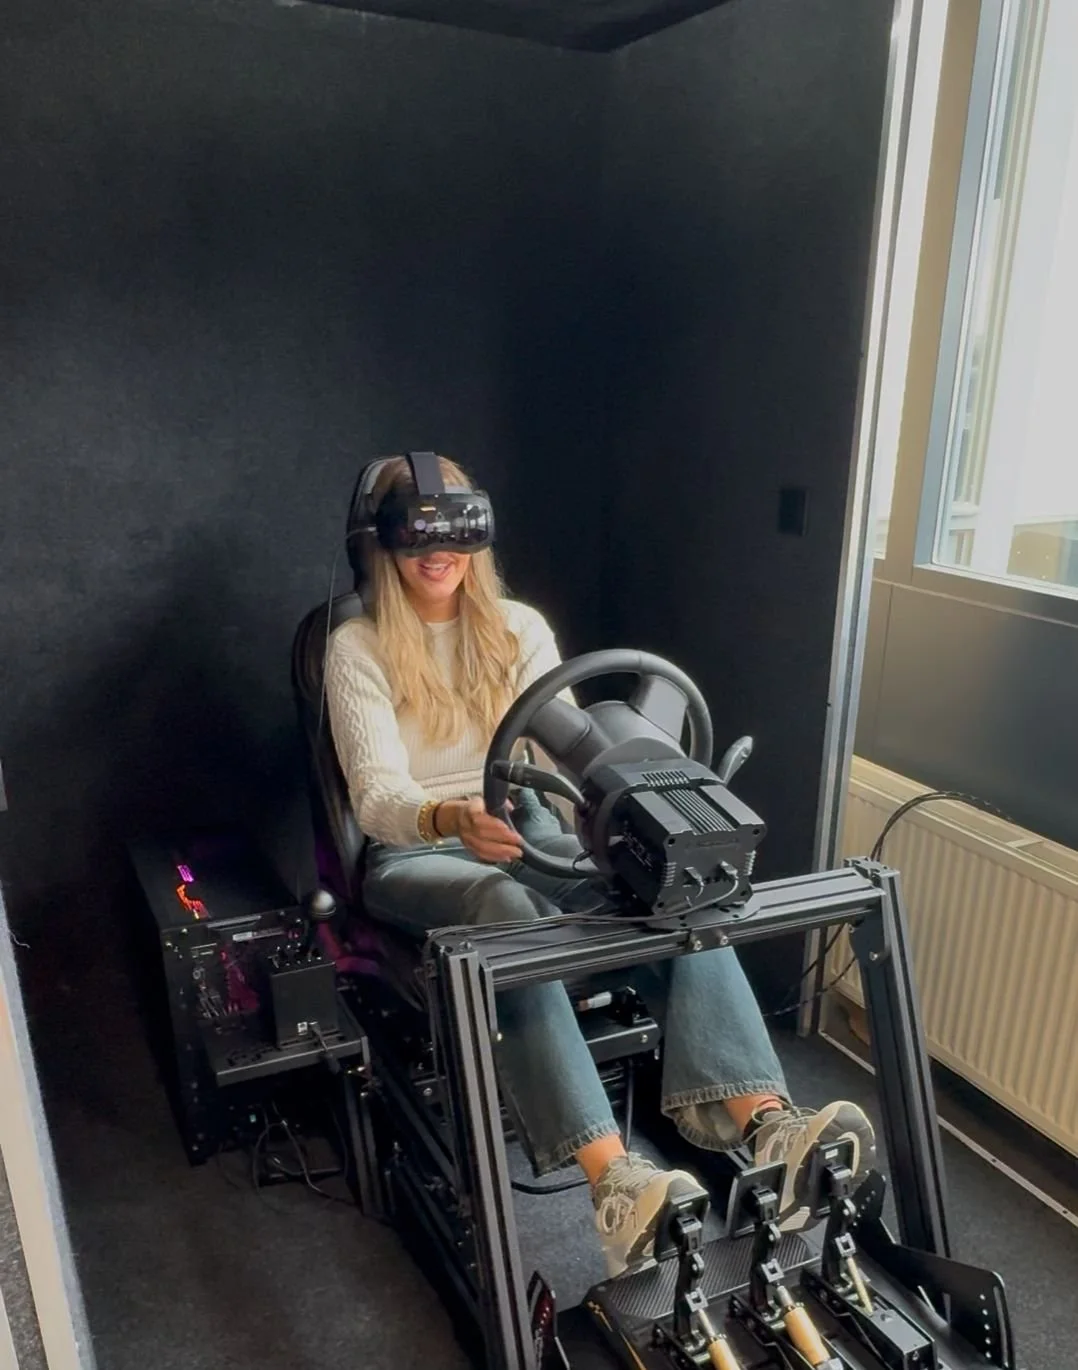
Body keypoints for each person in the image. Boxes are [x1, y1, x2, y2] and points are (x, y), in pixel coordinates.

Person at [324, 454, 874, 1277]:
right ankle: (614, 1184)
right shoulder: (354, 646)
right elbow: (374, 795)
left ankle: (769, 1127)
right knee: (502, 910)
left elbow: (568, 747)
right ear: (381, 542)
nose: (438, 553)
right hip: (416, 849)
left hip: (527, 818)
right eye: (415, 535)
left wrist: (640, 823)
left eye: (457, 532)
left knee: (673, 890)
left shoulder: (517, 628)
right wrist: (446, 816)